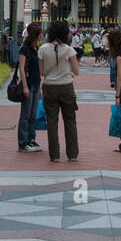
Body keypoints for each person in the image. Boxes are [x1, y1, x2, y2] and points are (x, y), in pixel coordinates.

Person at [38, 19, 80, 162]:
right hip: (66, 87)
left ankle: (54, 155)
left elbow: (42, 72)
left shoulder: (42, 49)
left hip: (50, 87)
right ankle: (72, 154)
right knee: (70, 121)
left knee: (52, 122)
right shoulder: (70, 50)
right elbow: (76, 71)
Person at [16, 22, 43, 153]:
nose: (42, 35)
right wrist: (25, 86)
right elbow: (21, 68)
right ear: (35, 34)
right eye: (40, 33)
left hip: (36, 84)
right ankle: (23, 142)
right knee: (25, 114)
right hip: (29, 84)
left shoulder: (36, 48)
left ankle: (31, 139)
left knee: (33, 114)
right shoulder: (25, 48)